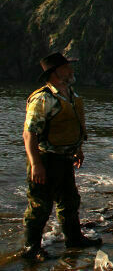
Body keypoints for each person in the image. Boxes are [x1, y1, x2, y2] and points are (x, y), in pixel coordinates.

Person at [22, 52, 102, 260]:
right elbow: (29, 134)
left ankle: (74, 239)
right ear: (56, 72)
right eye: (67, 67)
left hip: (65, 158)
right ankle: (31, 248)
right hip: (46, 159)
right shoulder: (43, 98)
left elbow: (72, 126)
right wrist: (36, 164)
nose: (71, 70)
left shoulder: (70, 93)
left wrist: (78, 150)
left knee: (70, 201)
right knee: (40, 205)